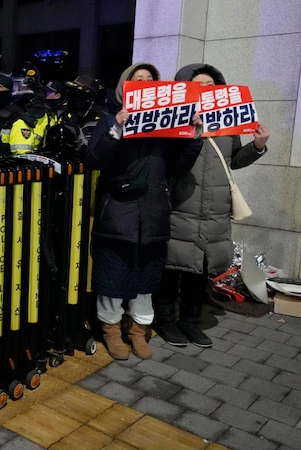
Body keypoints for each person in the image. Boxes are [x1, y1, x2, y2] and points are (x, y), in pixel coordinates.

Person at [85, 62, 203, 360]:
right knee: (112, 278)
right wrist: (117, 129)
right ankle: (111, 331)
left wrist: (194, 137)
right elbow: (95, 160)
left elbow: (177, 167)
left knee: (146, 280)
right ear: (125, 87)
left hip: (152, 215)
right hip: (117, 216)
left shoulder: (167, 128)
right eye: (138, 80)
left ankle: (139, 331)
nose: (145, 83)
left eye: (150, 80)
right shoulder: (110, 119)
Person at [153, 63, 270, 348]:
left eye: (210, 86)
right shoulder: (174, 119)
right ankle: (165, 321)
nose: (206, 90)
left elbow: (234, 161)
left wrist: (257, 146)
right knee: (173, 265)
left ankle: (190, 322)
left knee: (201, 269)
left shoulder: (228, 122)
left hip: (216, 208)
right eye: (199, 85)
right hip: (182, 203)